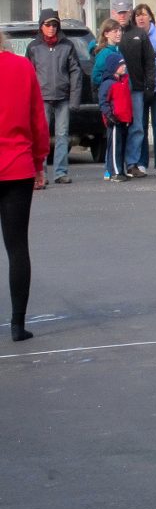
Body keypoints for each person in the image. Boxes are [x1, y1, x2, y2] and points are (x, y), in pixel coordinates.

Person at [0, 32, 49, 341]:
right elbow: (37, 119)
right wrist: (39, 159)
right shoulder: (22, 67)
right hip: (17, 164)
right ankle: (18, 324)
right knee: (17, 246)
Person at [24, 10, 81, 186]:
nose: (51, 28)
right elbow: (28, 74)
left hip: (62, 96)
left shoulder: (67, 45)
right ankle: (41, 173)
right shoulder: (33, 47)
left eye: (54, 25)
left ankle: (61, 172)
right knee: (41, 136)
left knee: (62, 135)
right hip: (42, 98)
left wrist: (74, 99)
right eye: (48, 25)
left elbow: (75, 72)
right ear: (41, 26)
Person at [110, 0, 156, 179]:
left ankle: (132, 163)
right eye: (119, 12)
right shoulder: (110, 34)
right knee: (117, 127)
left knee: (137, 127)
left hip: (136, 87)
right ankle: (115, 165)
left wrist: (149, 85)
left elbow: (149, 61)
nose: (122, 16)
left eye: (125, 12)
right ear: (114, 13)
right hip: (116, 89)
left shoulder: (140, 33)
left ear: (130, 13)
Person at [132, 4, 156, 175]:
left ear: (150, 17)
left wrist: (143, 64)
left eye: (144, 15)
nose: (141, 18)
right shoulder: (132, 36)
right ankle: (141, 162)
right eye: (138, 15)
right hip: (140, 86)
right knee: (140, 125)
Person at [93, 20, 131, 182]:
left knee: (119, 139)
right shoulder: (104, 54)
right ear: (106, 34)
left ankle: (116, 168)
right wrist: (110, 83)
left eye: (119, 30)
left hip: (121, 102)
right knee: (113, 139)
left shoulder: (118, 50)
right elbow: (96, 76)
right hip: (111, 103)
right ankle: (112, 170)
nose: (118, 33)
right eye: (114, 31)